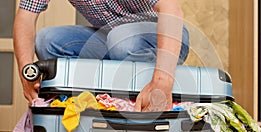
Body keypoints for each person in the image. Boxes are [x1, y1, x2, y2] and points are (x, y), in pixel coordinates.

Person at [13, 0, 190, 112]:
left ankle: (138, 96)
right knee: (47, 41)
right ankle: (100, 103)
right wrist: (26, 71)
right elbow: (26, 17)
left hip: (162, 35)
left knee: (121, 40)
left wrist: (163, 78)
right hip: (112, 37)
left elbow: (170, 8)